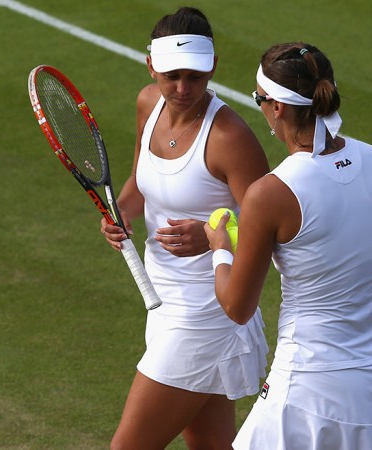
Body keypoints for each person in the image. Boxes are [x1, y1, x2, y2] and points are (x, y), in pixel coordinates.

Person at [204, 42, 372, 449]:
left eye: (259, 100)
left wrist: (220, 247)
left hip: (305, 394)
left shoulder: (269, 194)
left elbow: (237, 307)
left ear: (276, 107)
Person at [100, 7, 270, 450]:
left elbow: (269, 228)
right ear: (150, 65)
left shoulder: (230, 138)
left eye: (194, 77)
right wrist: (120, 210)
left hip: (206, 314)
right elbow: (141, 182)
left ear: (212, 67)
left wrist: (215, 237)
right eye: (171, 75)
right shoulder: (147, 104)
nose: (182, 88)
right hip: (162, 302)